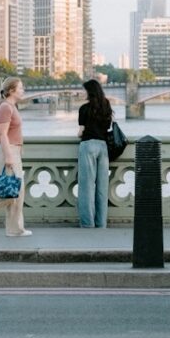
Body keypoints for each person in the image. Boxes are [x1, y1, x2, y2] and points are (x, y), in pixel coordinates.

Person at [0, 76, 29, 237]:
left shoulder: (11, 106)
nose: (23, 90)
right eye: (20, 88)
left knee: (16, 192)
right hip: (5, 152)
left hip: (12, 151)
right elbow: (2, 134)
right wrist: (9, 156)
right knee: (11, 192)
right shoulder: (5, 108)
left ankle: (14, 229)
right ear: (11, 91)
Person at [76, 78, 114, 227]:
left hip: (88, 146)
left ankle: (88, 224)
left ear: (89, 92)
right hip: (103, 147)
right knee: (102, 188)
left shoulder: (84, 109)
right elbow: (107, 128)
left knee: (87, 186)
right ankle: (101, 223)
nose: (82, 93)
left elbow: (81, 132)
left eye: (84, 90)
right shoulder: (106, 106)